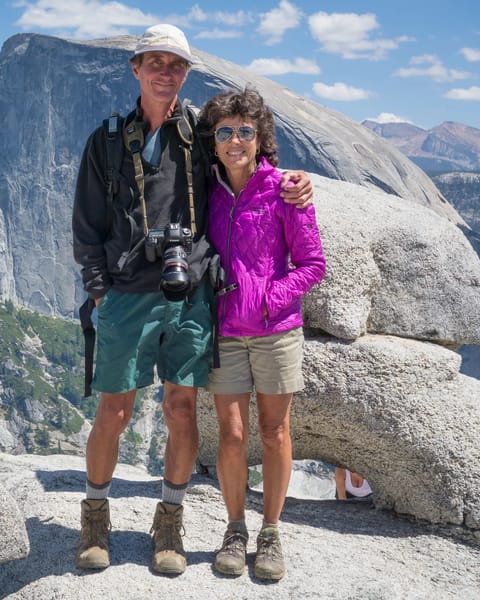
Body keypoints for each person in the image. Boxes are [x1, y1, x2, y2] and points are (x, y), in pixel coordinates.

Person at [72, 24, 313, 575]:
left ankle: (169, 524)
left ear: (185, 73)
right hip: (126, 294)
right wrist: (100, 293)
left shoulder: (200, 136)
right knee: (114, 411)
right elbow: (86, 224)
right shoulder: (106, 141)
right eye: (154, 62)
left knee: (181, 410)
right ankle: (94, 519)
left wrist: (295, 182)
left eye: (176, 64)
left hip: (189, 294)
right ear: (136, 69)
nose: (165, 72)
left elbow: (245, 161)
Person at [197, 87, 326, 581]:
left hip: (276, 330)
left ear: (260, 138)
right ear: (214, 141)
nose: (235, 140)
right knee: (232, 434)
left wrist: (271, 299)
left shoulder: (285, 190)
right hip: (226, 330)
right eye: (225, 131)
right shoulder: (205, 191)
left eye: (244, 131)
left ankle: (270, 533)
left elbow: (312, 264)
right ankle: (235, 529)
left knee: (274, 432)